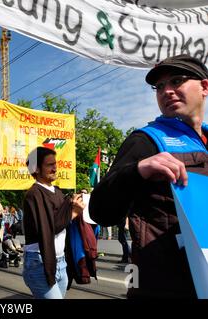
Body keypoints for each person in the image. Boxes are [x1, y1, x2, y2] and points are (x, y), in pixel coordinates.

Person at [89, 54, 208, 299]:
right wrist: (138, 170)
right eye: (160, 87)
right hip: (164, 285)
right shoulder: (145, 140)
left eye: (177, 81)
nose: (167, 91)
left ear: (204, 87)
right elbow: (100, 211)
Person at [22, 146, 84, 299]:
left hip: (60, 262)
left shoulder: (57, 192)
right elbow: (48, 227)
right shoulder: (34, 194)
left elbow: (62, 220)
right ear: (36, 169)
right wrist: (74, 212)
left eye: (55, 164)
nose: (55, 168)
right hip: (40, 262)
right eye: (49, 164)